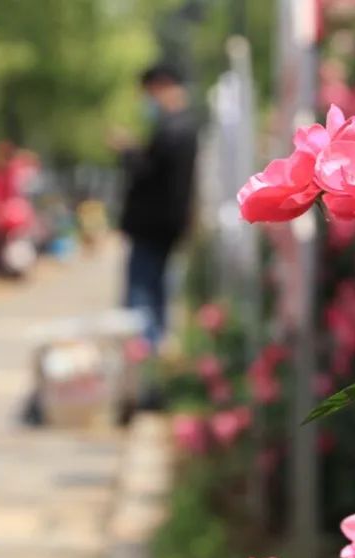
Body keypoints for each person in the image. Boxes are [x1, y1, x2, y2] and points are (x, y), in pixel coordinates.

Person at [116, 63, 198, 348]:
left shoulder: (173, 129)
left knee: (142, 295)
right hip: (166, 226)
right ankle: (151, 350)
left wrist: (128, 152)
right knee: (157, 292)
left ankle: (142, 353)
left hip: (153, 227)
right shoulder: (183, 127)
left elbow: (148, 173)